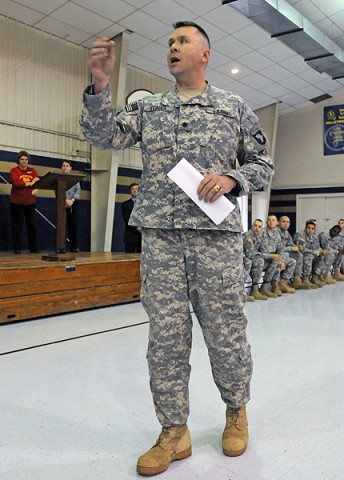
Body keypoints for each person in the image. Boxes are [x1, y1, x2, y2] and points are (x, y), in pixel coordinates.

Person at [80, 21, 274, 476]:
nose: (174, 47)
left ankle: (235, 410)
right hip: (162, 238)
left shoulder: (232, 106)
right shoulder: (150, 109)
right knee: (165, 338)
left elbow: (263, 164)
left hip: (216, 240)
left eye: (183, 41)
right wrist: (100, 88)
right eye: (170, 42)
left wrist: (233, 179)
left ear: (205, 54)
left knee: (225, 333)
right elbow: (105, 137)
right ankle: (173, 430)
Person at [9, 150, 40, 253]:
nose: (24, 161)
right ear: (18, 160)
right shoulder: (14, 170)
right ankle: (17, 248)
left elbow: (37, 181)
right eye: (22, 159)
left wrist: (35, 187)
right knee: (17, 225)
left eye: (26, 159)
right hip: (16, 202)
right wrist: (30, 183)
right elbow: (16, 183)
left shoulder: (33, 170)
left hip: (30, 202)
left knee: (31, 225)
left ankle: (34, 248)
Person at [263, 214, 296, 295]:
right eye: (269, 220)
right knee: (277, 261)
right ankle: (273, 284)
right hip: (266, 257)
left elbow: (281, 248)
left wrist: (282, 260)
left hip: (276, 256)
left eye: (288, 222)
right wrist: (280, 259)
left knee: (292, 261)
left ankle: (283, 283)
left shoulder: (280, 233)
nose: (286, 224)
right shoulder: (263, 232)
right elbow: (262, 250)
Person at [277, 216, 309, 289]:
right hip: (277, 254)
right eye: (284, 222)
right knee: (289, 256)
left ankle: (296, 280)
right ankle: (282, 283)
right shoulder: (276, 232)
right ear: (279, 222)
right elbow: (278, 249)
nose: (286, 224)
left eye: (288, 222)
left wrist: (297, 247)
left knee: (298, 255)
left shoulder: (286, 232)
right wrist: (291, 248)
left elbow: (291, 243)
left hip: (285, 253)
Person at [293, 220, 327, 288]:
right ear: (305, 228)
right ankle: (305, 278)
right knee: (309, 256)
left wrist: (322, 251)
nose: (310, 230)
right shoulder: (300, 234)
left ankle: (315, 277)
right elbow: (301, 249)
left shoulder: (314, 236)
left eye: (312, 228)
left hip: (310, 253)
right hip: (299, 255)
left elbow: (317, 247)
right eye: (308, 228)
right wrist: (315, 252)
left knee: (321, 256)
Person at [61, 160, 81, 252]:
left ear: (70, 168)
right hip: (62, 204)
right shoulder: (58, 178)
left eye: (67, 166)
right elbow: (57, 191)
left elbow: (78, 190)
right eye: (63, 165)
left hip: (73, 204)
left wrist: (72, 200)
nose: (65, 167)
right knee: (62, 227)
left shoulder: (75, 179)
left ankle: (74, 247)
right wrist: (65, 200)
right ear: (61, 168)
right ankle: (61, 247)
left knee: (73, 226)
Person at [121, 182, 142, 253]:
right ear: (130, 191)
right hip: (130, 234)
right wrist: (137, 228)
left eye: (137, 189)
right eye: (132, 189)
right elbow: (127, 218)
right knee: (129, 257)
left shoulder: (145, 204)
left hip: (143, 235)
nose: (135, 190)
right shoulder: (125, 204)